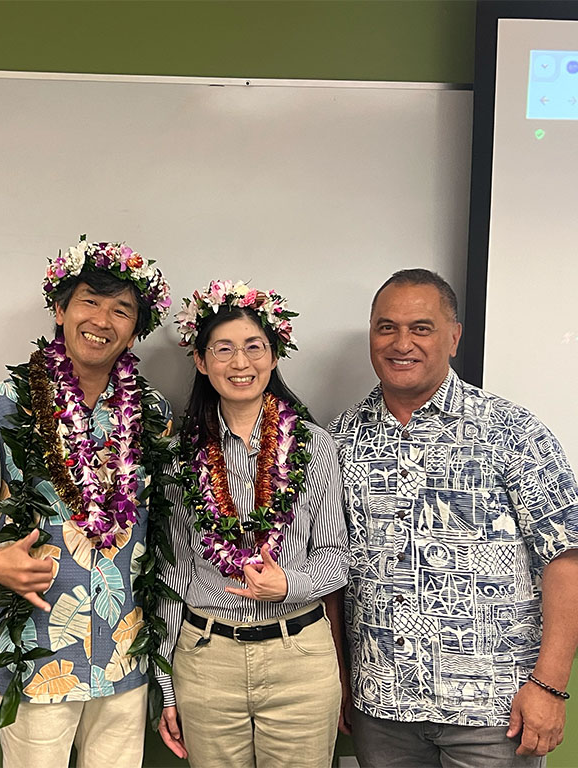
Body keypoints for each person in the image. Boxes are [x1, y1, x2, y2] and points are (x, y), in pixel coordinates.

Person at [327, 269, 578, 767]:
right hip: (381, 708)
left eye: (421, 327)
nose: (401, 342)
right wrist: (342, 680)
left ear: (454, 336)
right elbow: (331, 571)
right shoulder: (340, 438)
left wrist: (551, 686)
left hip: (495, 713)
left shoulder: (512, 431)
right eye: (385, 327)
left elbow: (570, 557)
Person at [0, 236, 173, 768]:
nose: (103, 319)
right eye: (90, 301)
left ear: (135, 329)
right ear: (60, 309)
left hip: (123, 650)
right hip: (34, 647)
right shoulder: (3, 403)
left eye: (122, 309)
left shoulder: (152, 411)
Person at [155, 280, 351, 768]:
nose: (240, 363)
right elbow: (172, 572)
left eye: (253, 347)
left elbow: (337, 557)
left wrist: (290, 583)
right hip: (206, 659)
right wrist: (167, 688)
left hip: (299, 659)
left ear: (275, 354)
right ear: (201, 361)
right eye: (223, 349)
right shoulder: (180, 457)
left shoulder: (315, 446)